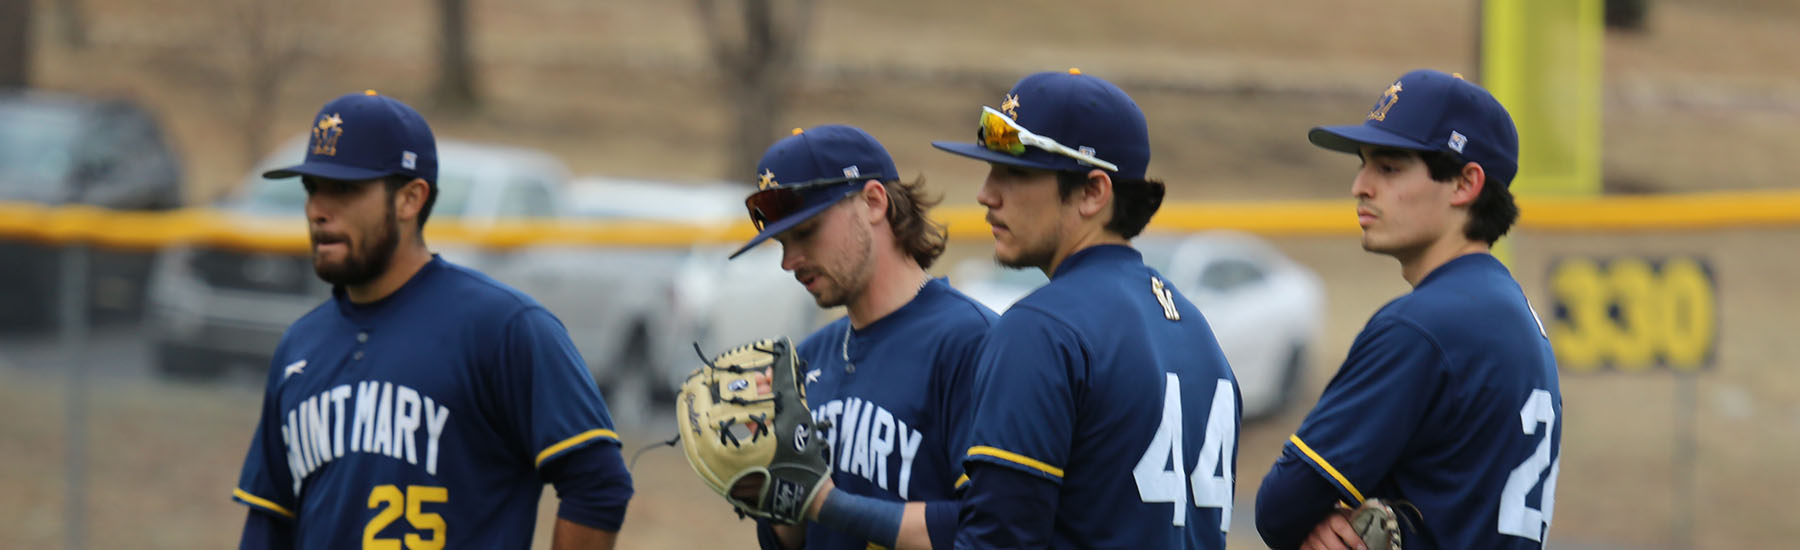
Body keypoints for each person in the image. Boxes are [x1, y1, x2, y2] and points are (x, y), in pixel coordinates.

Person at [229, 90, 633, 549]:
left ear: (409, 199)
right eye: (312, 188)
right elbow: (270, 517)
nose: (318, 209)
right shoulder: (300, 345)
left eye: (343, 189)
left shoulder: (502, 327)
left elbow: (597, 483)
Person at [1254, 69, 1564, 550]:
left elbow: (1279, 506)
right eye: (1364, 164)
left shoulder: (1425, 325)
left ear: (1465, 183)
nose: (1360, 185)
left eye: (1389, 167)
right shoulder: (1516, 316)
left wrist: (1325, 517)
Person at [931, 69, 1240, 549]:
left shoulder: (1043, 328)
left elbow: (997, 541)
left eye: (1016, 172)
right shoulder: (1197, 331)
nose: (986, 194)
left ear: (1094, 192)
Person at [725, 125, 998, 549]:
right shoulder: (809, 358)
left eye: (807, 231)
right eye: (781, 241)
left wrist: (825, 503)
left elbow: (989, 526)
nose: (789, 261)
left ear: (873, 202)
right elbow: (797, 539)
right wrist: (777, 473)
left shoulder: (971, 342)